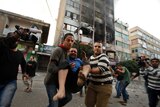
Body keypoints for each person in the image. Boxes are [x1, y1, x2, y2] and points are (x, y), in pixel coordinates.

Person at [44, 33, 75, 107]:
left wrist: (69, 67)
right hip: (50, 81)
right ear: (63, 41)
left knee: (68, 97)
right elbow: (51, 68)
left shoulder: (66, 53)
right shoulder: (58, 50)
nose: (70, 42)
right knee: (54, 103)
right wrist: (63, 67)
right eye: (68, 40)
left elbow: (63, 67)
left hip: (59, 82)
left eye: (72, 41)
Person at [0, 29, 26, 107]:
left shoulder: (19, 54)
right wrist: (17, 35)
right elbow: (4, 41)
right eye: (14, 39)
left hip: (10, 82)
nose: (16, 41)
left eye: (17, 40)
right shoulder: (2, 49)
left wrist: (24, 73)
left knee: (4, 104)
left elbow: (23, 63)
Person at [85, 42, 113, 107]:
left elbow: (100, 70)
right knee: (88, 103)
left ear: (102, 49)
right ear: (93, 48)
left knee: (101, 105)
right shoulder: (91, 58)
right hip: (92, 85)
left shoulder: (104, 56)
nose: (97, 48)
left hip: (104, 86)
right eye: (95, 46)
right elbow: (87, 66)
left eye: (99, 47)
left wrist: (86, 71)